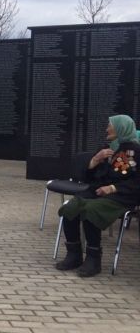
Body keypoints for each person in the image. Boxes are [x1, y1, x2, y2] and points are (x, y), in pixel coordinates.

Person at [55, 114, 140, 277]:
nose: (107, 128)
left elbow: (134, 181)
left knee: (90, 210)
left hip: (121, 197)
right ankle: (74, 255)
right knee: (70, 207)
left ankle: (93, 259)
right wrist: (95, 159)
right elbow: (91, 177)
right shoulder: (112, 149)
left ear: (121, 128)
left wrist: (113, 188)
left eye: (110, 125)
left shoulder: (133, 151)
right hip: (99, 192)